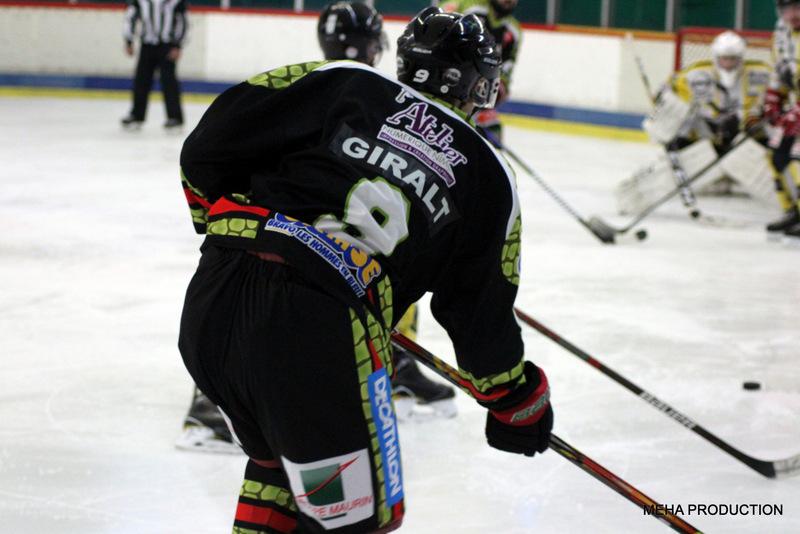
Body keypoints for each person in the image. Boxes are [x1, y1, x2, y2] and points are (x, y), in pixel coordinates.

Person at [178, 7, 553, 532]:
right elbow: (477, 310)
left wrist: (222, 228)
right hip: (320, 335)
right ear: (477, 83)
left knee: (281, 469)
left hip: (215, 297)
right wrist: (515, 398)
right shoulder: (488, 173)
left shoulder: (344, 81)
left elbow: (209, 145)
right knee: (351, 520)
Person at [318, 0, 456, 421]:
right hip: (339, 250)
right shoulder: (370, 96)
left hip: (303, 239)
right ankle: (393, 362)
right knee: (398, 256)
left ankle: (391, 361)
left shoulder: (312, 84)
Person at [618, 31, 773, 215]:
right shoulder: (693, 76)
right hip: (706, 139)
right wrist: (663, 113)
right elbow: (666, 101)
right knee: (679, 159)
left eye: (733, 59)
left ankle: (788, 200)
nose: (728, 64)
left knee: (775, 156)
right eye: (724, 59)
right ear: (715, 57)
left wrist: (760, 120)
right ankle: (635, 197)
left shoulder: (762, 74)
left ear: (741, 58)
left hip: (745, 137)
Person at [440, 0, 521, 140]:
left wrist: (489, 99)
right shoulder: (467, 6)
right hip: (445, 87)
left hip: (475, 99)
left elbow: (505, 72)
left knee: (493, 130)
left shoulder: (514, 30)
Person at [762, 0, 800, 237]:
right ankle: (792, 210)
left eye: (797, 7)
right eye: (787, 9)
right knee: (776, 155)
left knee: (797, 157)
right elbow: (780, 71)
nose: (792, 14)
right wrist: (772, 99)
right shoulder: (781, 35)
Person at [120, 0, 187, 130]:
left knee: (169, 82)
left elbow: (182, 22)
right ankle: (137, 115)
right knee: (141, 80)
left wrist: (177, 45)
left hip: (167, 45)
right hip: (147, 45)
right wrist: (128, 40)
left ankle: (175, 117)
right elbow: (130, 17)